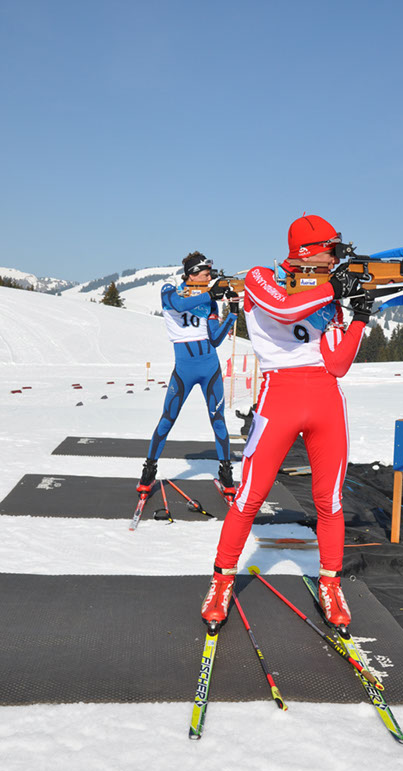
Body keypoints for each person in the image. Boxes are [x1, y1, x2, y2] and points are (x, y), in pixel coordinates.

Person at [201, 214, 373, 629]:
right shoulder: (261, 278)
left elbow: (338, 363)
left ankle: (330, 584)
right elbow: (282, 306)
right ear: (309, 253)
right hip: (278, 396)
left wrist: (359, 317)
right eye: (331, 251)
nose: (336, 259)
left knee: (329, 501)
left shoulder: (326, 296)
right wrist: (333, 289)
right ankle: (222, 580)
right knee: (249, 497)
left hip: (326, 400)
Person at [137, 252, 240, 500]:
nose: (209, 278)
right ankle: (148, 472)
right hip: (184, 369)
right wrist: (211, 294)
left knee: (218, 421)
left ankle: (226, 475)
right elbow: (180, 305)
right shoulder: (169, 290)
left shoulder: (210, 302)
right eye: (205, 274)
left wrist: (233, 313)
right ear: (192, 274)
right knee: (167, 420)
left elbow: (215, 340)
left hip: (210, 368)